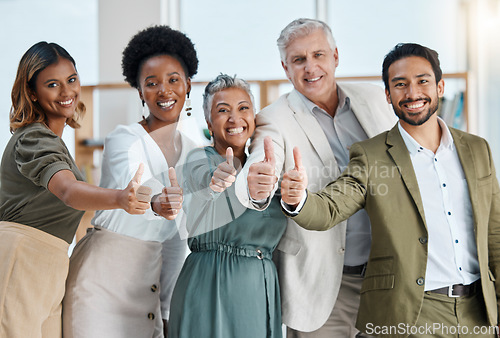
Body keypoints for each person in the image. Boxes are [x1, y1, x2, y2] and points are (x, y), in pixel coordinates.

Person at [281, 43, 500, 338]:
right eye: (400, 84)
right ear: (388, 95)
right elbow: (331, 208)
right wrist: (299, 200)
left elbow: (494, 232)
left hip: (478, 312)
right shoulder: (372, 156)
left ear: (440, 86)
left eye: (422, 81)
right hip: (413, 313)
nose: (412, 94)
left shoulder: (477, 149)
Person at [234, 18, 396, 337]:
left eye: (318, 55)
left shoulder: (375, 98)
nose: (310, 68)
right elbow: (261, 163)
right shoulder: (273, 118)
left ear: (335, 56)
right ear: (285, 67)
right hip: (320, 287)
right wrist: (256, 185)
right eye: (299, 59)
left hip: (386, 280)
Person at [0, 41, 151, 338]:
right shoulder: (33, 138)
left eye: (71, 80)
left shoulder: (54, 142)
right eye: (52, 84)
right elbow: (68, 190)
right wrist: (121, 198)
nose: (67, 92)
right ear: (32, 92)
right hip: (21, 259)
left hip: (48, 264)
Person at [62, 25, 199, 338]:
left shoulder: (194, 153)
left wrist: (166, 311)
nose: (164, 91)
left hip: (148, 286)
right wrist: (154, 201)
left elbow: (177, 242)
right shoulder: (124, 139)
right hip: (101, 284)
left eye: (173, 80)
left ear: (188, 84)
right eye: (151, 84)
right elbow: (133, 180)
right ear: (140, 92)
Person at [168, 74, 287, 337]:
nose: (235, 119)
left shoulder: (267, 166)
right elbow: (201, 177)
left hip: (262, 286)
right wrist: (216, 182)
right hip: (212, 283)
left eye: (243, 108)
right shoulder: (200, 159)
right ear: (209, 123)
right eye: (223, 111)